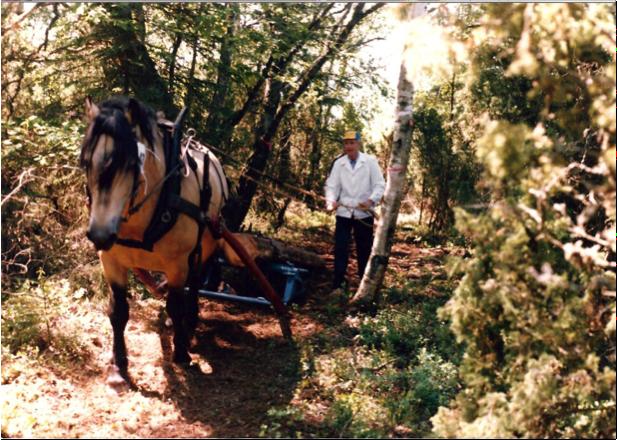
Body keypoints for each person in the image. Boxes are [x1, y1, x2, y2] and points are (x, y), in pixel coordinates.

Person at [324, 130, 385, 290]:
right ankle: (338, 284)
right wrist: (331, 202)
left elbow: (379, 184)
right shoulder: (339, 163)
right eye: (346, 143)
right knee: (340, 247)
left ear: (358, 144)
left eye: (352, 143)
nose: (348, 146)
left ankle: (364, 286)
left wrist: (371, 200)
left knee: (364, 249)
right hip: (344, 212)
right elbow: (332, 185)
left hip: (363, 213)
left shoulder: (370, 162)